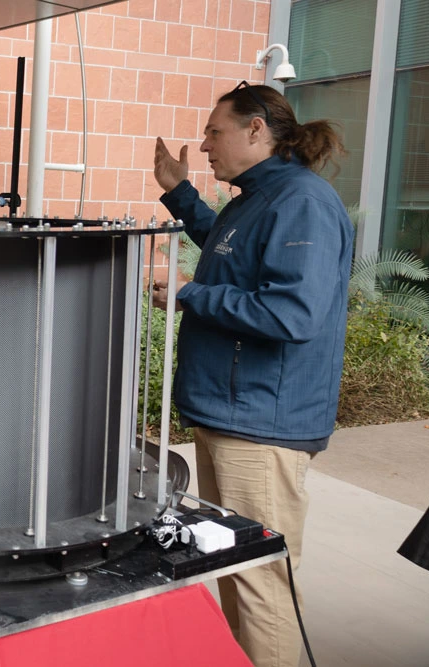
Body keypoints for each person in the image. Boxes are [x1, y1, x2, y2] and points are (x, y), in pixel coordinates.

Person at [151, 82, 354, 667]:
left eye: (216, 131)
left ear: (256, 130)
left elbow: (292, 313)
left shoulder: (302, 202)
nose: (206, 144)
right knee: (235, 570)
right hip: (231, 416)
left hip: (262, 425)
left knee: (261, 584)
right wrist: (179, 192)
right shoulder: (257, 198)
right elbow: (227, 247)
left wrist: (190, 293)